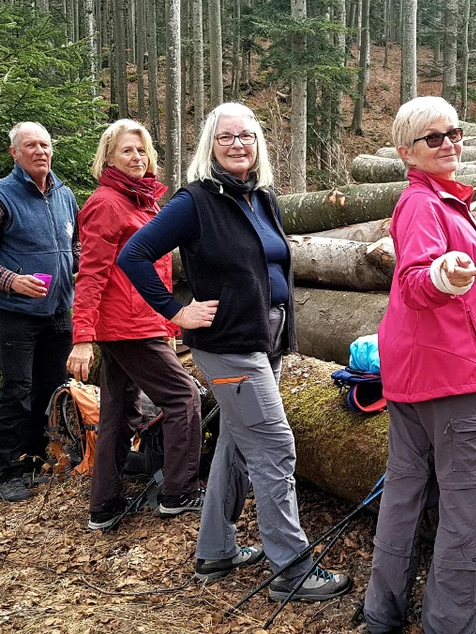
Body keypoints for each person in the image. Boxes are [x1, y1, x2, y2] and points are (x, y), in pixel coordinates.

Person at [118, 103, 350, 596]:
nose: (237, 144)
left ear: (258, 143)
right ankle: (292, 570)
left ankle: (216, 551)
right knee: (274, 447)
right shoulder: (195, 202)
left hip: (266, 340)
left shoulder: (262, 198)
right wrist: (176, 311)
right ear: (211, 145)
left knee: (236, 443)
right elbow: (133, 254)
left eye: (246, 136)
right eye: (226, 137)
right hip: (228, 346)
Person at [362, 96, 476, 634]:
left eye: (454, 132)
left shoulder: (439, 201)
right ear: (407, 151)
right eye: (433, 137)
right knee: (464, 501)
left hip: (416, 373)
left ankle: (383, 612)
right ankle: (451, 622)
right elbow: (416, 281)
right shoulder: (424, 204)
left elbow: (465, 290)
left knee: (404, 493)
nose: (448, 143)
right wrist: (441, 275)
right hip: (453, 378)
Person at [67, 119, 203, 531]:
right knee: (183, 398)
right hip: (128, 326)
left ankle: (104, 504)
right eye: (127, 150)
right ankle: (179, 492)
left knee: (119, 412)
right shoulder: (106, 203)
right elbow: (91, 273)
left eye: (142, 150)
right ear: (108, 157)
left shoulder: (141, 202)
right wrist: (82, 338)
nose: (137, 157)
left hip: (140, 322)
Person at [0, 121, 79, 503]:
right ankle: (9, 472)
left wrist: (76, 267)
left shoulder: (64, 194)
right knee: (18, 390)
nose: (40, 151)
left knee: (51, 388)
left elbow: (75, 244)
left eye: (45, 144)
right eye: (31, 145)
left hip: (58, 309)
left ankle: (36, 460)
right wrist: (11, 280)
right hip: (15, 312)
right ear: (14, 152)